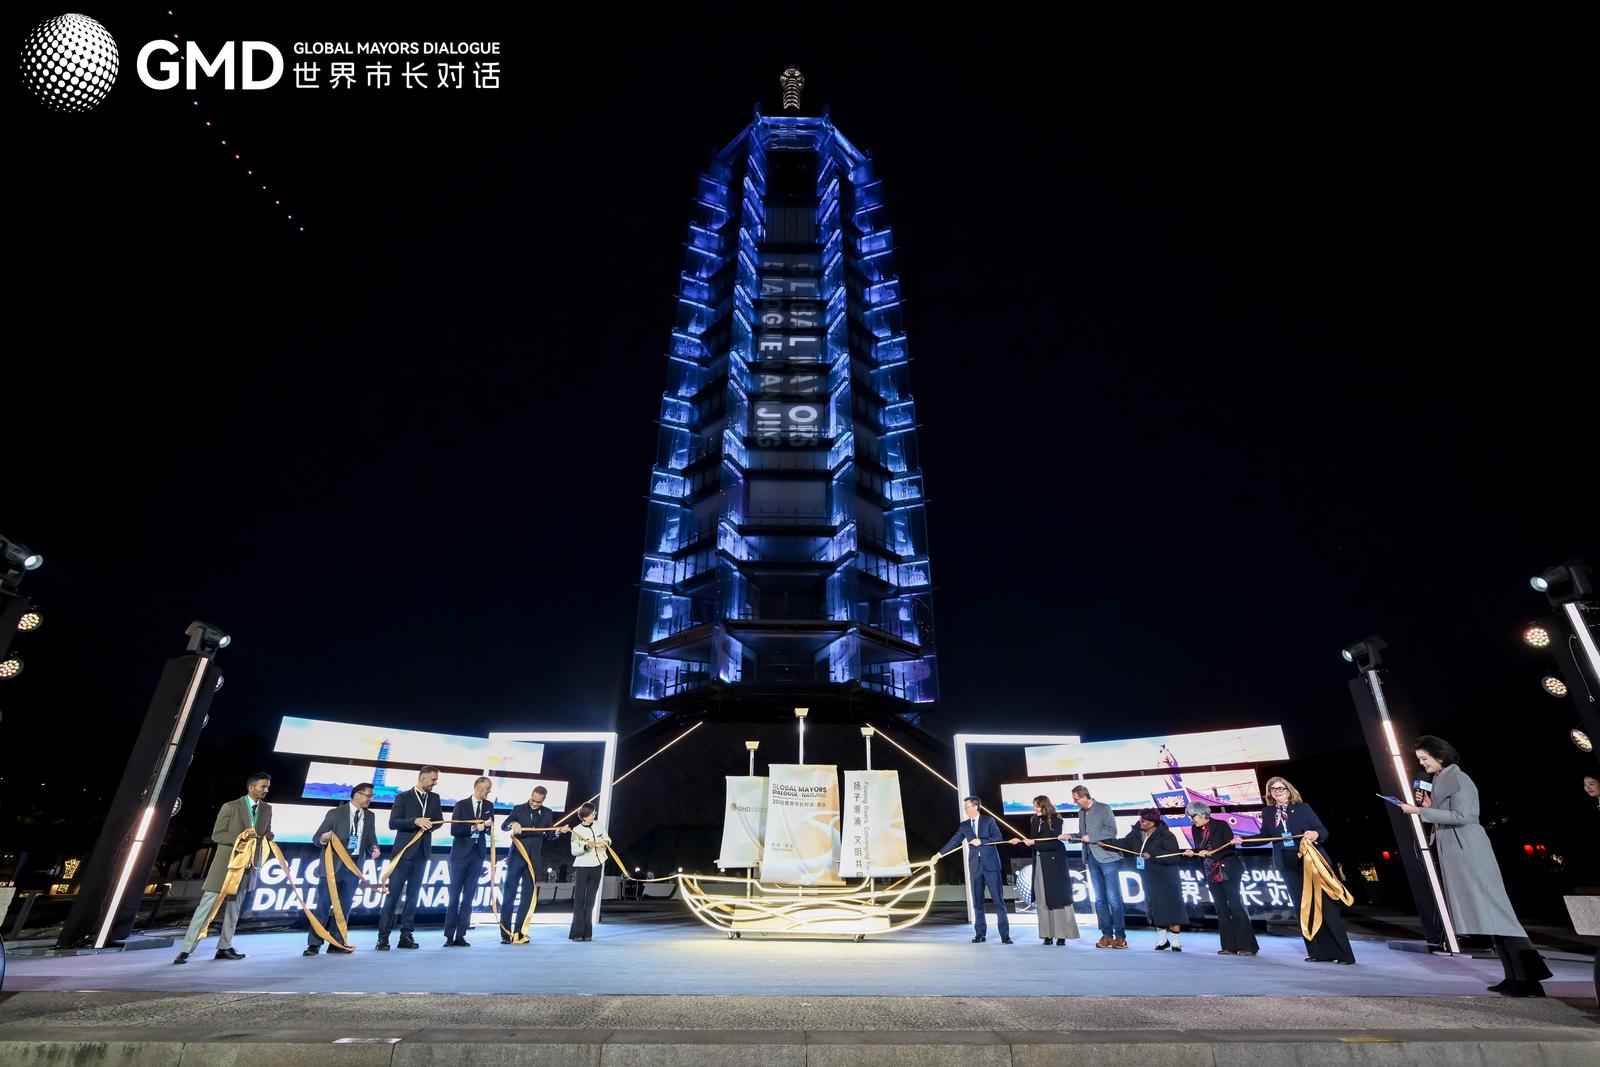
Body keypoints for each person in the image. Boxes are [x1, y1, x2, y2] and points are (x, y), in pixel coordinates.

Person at [1401, 736, 1553, 997]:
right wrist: (1430, 806)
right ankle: (1515, 976)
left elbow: (1461, 816)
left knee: (1498, 912)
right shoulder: (1441, 778)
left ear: (1440, 756)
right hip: (1457, 849)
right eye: (1420, 759)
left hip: (1469, 849)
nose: (1422, 763)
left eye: (1425, 758)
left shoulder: (1459, 778)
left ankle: (1529, 978)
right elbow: (1449, 812)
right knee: (1489, 916)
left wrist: (1420, 812)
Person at [174, 772, 274, 964]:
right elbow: (218, 835)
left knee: (233, 911)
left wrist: (267, 836)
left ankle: (224, 947)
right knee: (205, 908)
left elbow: (263, 835)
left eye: (267, 786)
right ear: (251, 787)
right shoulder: (230, 807)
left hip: (247, 867)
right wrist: (242, 838)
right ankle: (186, 950)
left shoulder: (267, 809)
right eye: (263, 786)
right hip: (225, 867)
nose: (266, 790)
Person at [1263, 775, 1355, 964]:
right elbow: (1264, 835)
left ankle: (1343, 954)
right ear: (1270, 793)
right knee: (1303, 908)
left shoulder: (1302, 808)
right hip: (1287, 864)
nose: (1277, 792)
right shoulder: (1268, 812)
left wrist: (1315, 834)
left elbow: (1323, 830)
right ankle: (1318, 953)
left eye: (1281, 788)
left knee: (1326, 906)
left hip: (1311, 861)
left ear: (1289, 791)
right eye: (1273, 789)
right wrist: (1242, 841)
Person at [305, 782, 381, 956]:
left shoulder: (370, 816)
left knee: (344, 907)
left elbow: (371, 838)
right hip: (332, 866)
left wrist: (374, 848)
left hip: (353, 867)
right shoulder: (335, 813)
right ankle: (314, 944)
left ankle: (337, 942)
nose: (370, 799)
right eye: (368, 795)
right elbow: (316, 838)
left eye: (371, 796)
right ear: (357, 795)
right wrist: (323, 839)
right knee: (323, 906)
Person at [378, 766, 443, 950]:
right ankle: (383, 937)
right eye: (433, 779)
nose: (435, 783)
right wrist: (415, 821)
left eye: (436, 780)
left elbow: (438, 821)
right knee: (393, 896)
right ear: (422, 778)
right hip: (403, 854)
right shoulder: (403, 797)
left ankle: (406, 936)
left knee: (413, 897)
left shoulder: (435, 798)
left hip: (422, 854)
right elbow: (393, 823)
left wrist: (429, 825)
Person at [1182, 801, 1257, 956]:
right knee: (1221, 909)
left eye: (1193, 816)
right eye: (1190, 817)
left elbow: (1229, 848)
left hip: (1227, 870)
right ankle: (1229, 946)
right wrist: (1193, 852)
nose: (1192, 820)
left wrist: (1211, 853)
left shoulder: (1221, 825)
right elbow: (1200, 849)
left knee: (1235, 906)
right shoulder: (1194, 829)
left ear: (1203, 814)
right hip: (1210, 871)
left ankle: (1248, 946)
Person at [1106, 808, 1185, 950]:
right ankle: (1163, 941)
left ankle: (1175, 942)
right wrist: (1105, 843)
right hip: (1149, 877)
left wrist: (1152, 856)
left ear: (1153, 822)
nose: (1141, 823)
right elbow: (1124, 843)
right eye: (1140, 820)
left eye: (1144, 821)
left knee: (1172, 909)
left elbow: (1173, 857)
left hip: (1166, 878)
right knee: (1155, 908)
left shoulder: (1166, 835)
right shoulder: (1137, 833)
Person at [499, 785, 570, 943]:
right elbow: (504, 826)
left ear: (543, 800)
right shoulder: (518, 809)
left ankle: (519, 933)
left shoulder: (547, 813)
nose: (535, 804)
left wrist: (559, 831)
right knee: (509, 896)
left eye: (538, 802)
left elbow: (550, 835)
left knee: (527, 898)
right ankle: (505, 933)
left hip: (534, 861)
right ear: (531, 795)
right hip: (516, 858)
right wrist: (513, 824)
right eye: (533, 800)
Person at [1008, 795, 1079, 945]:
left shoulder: (1056, 819)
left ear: (1044, 806)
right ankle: (1047, 934)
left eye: (1037, 806)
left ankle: (1061, 935)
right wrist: (1019, 842)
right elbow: (1032, 842)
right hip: (1040, 863)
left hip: (1054, 863)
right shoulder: (1034, 820)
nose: (1035, 808)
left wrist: (1034, 843)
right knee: (1042, 898)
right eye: (1034, 806)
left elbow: (1053, 843)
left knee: (1057, 898)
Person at [940, 796, 1012, 943]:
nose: (965, 809)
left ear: (975, 806)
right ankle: (980, 934)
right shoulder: (964, 825)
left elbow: (998, 837)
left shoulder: (988, 820)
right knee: (977, 903)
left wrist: (982, 841)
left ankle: (1005, 935)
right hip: (975, 867)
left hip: (991, 866)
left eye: (967, 806)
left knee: (998, 901)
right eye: (965, 807)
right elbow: (954, 841)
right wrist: (939, 854)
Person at [1072, 785, 1125, 949]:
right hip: (1091, 858)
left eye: (1076, 799)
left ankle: (1120, 936)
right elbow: (1083, 835)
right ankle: (1106, 935)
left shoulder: (1103, 808)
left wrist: (1092, 837)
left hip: (1107, 858)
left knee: (1114, 898)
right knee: (1100, 899)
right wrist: (1071, 837)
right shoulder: (1081, 813)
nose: (1074, 802)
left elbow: (1112, 830)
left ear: (1084, 796)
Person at [443, 776, 494, 947]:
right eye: (487, 789)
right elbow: (454, 829)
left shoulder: (489, 806)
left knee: (469, 896)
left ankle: (461, 935)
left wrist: (488, 826)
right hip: (460, 855)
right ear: (479, 788)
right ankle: (449, 935)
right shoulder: (461, 805)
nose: (489, 792)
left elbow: (489, 830)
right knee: (454, 895)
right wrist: (473, 828)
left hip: (477, 855)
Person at [568, 803, 610, 941]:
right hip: (582, 867)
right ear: (584, 816)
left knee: (590, 901)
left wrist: (606, 842)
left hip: (597, 865)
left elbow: (607, 838)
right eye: (591, 814)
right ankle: (577, 932)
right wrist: (586, 847)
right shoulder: (576, 830)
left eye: (594, 813)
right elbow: (574, 851)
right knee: (579, 900)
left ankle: (588, 933)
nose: (594, 816)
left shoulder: (599, 825)